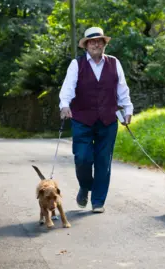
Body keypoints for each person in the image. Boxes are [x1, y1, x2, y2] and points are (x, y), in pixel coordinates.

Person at [59, 26, 134, 213]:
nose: (95, 44)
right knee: (82, 158)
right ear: (86, 45)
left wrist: (128, 109)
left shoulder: (114, 63)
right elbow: (68, 87)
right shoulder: (77, 64)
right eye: (91, 41)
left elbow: (122, 89)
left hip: (108, 120)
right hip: (82, 118)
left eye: (99, 41)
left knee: (103, 161)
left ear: (104, 44)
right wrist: (64, 105)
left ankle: (98, 201)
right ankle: (85, 187)